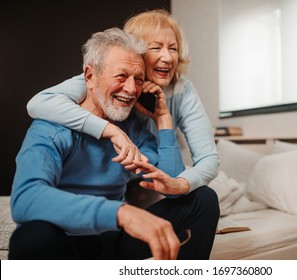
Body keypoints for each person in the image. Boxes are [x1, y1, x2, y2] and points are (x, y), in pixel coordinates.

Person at [9, 27, 219, 260]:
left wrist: (163, 120)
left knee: (203, 200)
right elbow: (25, 200)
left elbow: (170, 187)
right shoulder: (50, 129)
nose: (131, 89)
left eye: (138, 80)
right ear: (90, 77)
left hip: (115, 241)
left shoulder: (133, 130)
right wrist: (121, 213)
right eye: (121, 76)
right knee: (29, 237)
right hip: (66, 242)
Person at [26, 9, 219, 196]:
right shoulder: (100, 79)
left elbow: (208, 159)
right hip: (120, 181)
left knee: (204, 197)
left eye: (173, 48)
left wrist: (181, 184)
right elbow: (38, 103)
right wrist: (111, 130)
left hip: (157, 173)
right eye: (156, 47)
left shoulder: (182, 91)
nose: (167, 58)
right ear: (137, 52)